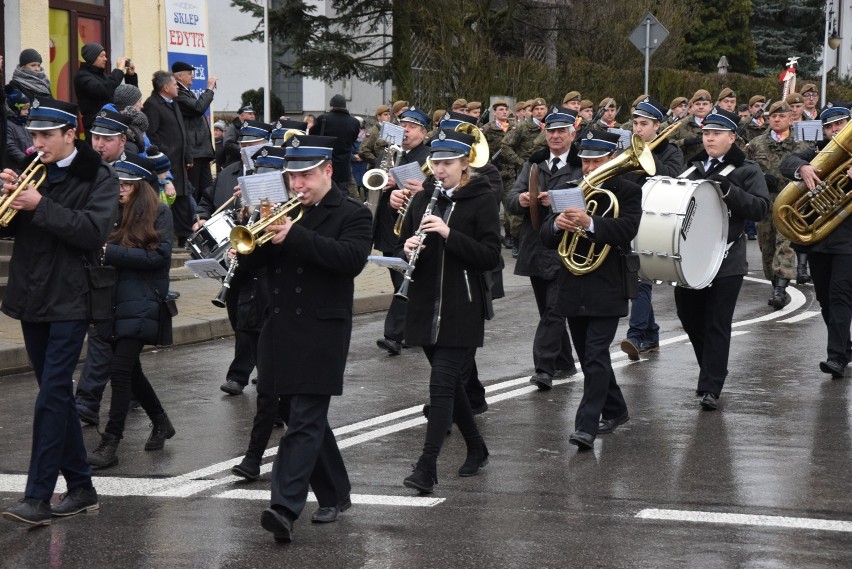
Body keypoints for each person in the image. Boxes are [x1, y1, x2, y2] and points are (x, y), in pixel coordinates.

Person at [234, 134, 371, 543]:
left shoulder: (354, 213)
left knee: (305, 420)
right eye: (292, 177)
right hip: (279, 330)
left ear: (327, 171)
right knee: (299, 417)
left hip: (321, 331)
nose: (297, 185)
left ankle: (283, 508)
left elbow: (350, 261)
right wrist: (248, 244)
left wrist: (293, 234)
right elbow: (253, 265)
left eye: (306, 176)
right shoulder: (281, 211)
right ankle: (335, 491)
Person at [0, 98, 118, 526]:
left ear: (72, 134)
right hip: (32, 293)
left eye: (46, 135)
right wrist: (10, 198)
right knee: (56, 396)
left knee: (51, 394)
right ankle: (83, 488)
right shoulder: (36, 172)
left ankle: (38, 497)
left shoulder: (99, 176)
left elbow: (91, 232)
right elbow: (11, 227)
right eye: (33, 135)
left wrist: (39, 205)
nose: (38, 143)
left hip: (70, 297)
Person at [398, 128, 501, 493]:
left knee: (441, 385)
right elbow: (404, 246)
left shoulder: (481, 199)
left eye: (447, 164)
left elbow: (490, 255)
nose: (439, 170)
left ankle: (426, 467)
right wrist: (408, 247)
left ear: (464, 164)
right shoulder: (424, 197)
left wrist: (447, 234)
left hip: (464, 306)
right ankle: (477, 447)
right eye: (436, 163)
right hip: (425, 305)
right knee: (451, 385)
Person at [538, 131, 642, 450]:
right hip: (573, 284)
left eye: (596, 160)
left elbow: (627, 230)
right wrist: (557, 226)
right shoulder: (570, 189)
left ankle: (586, 425)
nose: (588, 167)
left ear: (612, 159)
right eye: (585, 160)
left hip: (608, 285)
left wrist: (590, 222)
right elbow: (545, 236)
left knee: (596, 354)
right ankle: (617, 409)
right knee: (588, 356)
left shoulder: (627, 191)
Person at [86, 154, 176, 469]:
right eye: (118, 183)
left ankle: (111, 442)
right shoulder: (113, 212)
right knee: (130, 371)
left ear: (140, 186)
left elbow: (159, 258)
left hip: (143, 303)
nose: (120, 189)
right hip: (112, 302)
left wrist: (113, 252)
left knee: (120, 371)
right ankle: (161, 421)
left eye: (126, 184)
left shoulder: (159, 212)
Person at [676, 108, 769, 410]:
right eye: (706, 133)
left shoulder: (747, 170)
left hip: (727, 259)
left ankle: (711, 386)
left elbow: (760, 208)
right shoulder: (692, 168)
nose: (709, 138)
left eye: (716, 133)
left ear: (732, 137)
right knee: (689, 317)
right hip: (690, 259)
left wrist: (729, 190)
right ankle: (712, 369)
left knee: (717, 321)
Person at [505, 107, 579, 389]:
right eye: (551, 131)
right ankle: (565, 362)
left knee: (554, 309)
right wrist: (522, 200)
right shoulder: (534, 163)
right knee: (547, 309)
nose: (556, 136)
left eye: (561, 131)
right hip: (536, 245)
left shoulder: (581, 163)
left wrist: (555, 201)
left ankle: (544, 368)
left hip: (566, 247)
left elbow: (586, 198)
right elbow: (510, 197)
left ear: (572, 134)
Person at [74, 110, 137, 426]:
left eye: (106, 140)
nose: (98, 145)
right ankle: (126, 393)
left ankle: (90, 401)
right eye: (95, 138)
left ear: (122, 141)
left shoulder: (136, 168)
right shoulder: (84, 167)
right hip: (94, 266)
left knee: (111, 335)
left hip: (128, 266)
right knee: (106, 335)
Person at [779, 104, 852, 379]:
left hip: (848, 242)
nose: (835, 130)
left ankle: (836, 358)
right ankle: (844, 347)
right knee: (824, 298)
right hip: (818, 241)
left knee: (840, 296)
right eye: (830, 126)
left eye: (841, 124)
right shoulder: (816, 153)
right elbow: (786, 162)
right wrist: (803, 168)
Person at [620, 97, 684, 360]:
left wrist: (647, 155)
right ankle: (652, 333)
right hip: (628, 217)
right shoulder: (627, 148)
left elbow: (670, 177)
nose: (637, 129)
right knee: (638, 277)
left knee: (640, 279)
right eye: (635, 123)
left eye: (643, 124)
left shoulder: (672, 151)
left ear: (657, 125)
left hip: (654, 221)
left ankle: (635, 336)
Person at [746, 100, 811, 309]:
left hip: (790, 206)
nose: (776, 119)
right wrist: (761, 177)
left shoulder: (802, 146)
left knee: (785, 246)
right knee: (766, 249)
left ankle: (780, 289)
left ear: (790, 118)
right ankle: (775, 282)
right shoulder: (756, 144)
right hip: (765, 204)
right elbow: (746, 170)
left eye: (781, 116)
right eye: (773, 116)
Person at [377, 106, 431, 355]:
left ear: (423, 132)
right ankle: (414, 330)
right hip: (391, 227)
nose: (405, 131)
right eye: (403, 126)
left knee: (405, 279)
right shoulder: (394, 154)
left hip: (414, 227)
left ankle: (394, 335)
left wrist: (399, 185)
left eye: (411, 127)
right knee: (401, 278)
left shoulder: (428, 158)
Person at [143, 70, 193, 245]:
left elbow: (181, 132)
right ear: (165, 87)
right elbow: (152, 135)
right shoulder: (152, 105)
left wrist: (187, 155)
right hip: (166, 165)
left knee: (184, 203)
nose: (177, 87)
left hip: (179, 163)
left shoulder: (173, 103)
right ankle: (167, 240)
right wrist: (161, 158)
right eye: (174, 84)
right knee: (168, 204)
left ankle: (184, 239)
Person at [172, 61, 217, 202]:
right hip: (194, 151)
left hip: (201, 150)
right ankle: (195, 220)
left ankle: (206, 217)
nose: (193, 76)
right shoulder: (178, 93)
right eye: (189, 73)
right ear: (179, 76)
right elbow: (199, 107)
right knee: (195, 191)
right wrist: (209, 89)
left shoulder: (186, 91)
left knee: (207, 189)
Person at [74, 43, 137, 136]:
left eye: (105, 56)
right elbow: (105, 91)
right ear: (92, 57)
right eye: (102, 56)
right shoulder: (82, 77)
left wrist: (130, 76)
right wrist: (119, 70)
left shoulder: (102, 76)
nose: (105, 59)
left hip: (111, 125)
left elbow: (126, 95)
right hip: (96, 128)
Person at [309, 95, 361, 198]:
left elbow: (312, 135)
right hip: (344, 167)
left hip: (325, 164)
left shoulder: (323, 118)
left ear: (331, 106)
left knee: (324, 194)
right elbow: (353, 139)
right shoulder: (354, 122)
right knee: (342, 196)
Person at [674, 89, 713, 165]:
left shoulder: (720, 124)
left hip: (712, 170)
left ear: (711, 106)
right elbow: (667, 145)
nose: (701, 107)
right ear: (692, 106)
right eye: (697, 104)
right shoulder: (680, 125)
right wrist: (684, 142)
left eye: (705, 104)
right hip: (685, 168)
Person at [4, 88, 34, 172]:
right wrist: (26, 161)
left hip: (27, 167)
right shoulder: (7, 124)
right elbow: (10, 147)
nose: (27, 112)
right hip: (15, 169)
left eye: (28, 109)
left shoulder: (24, 123)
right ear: (14, 108)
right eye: (24, 109)